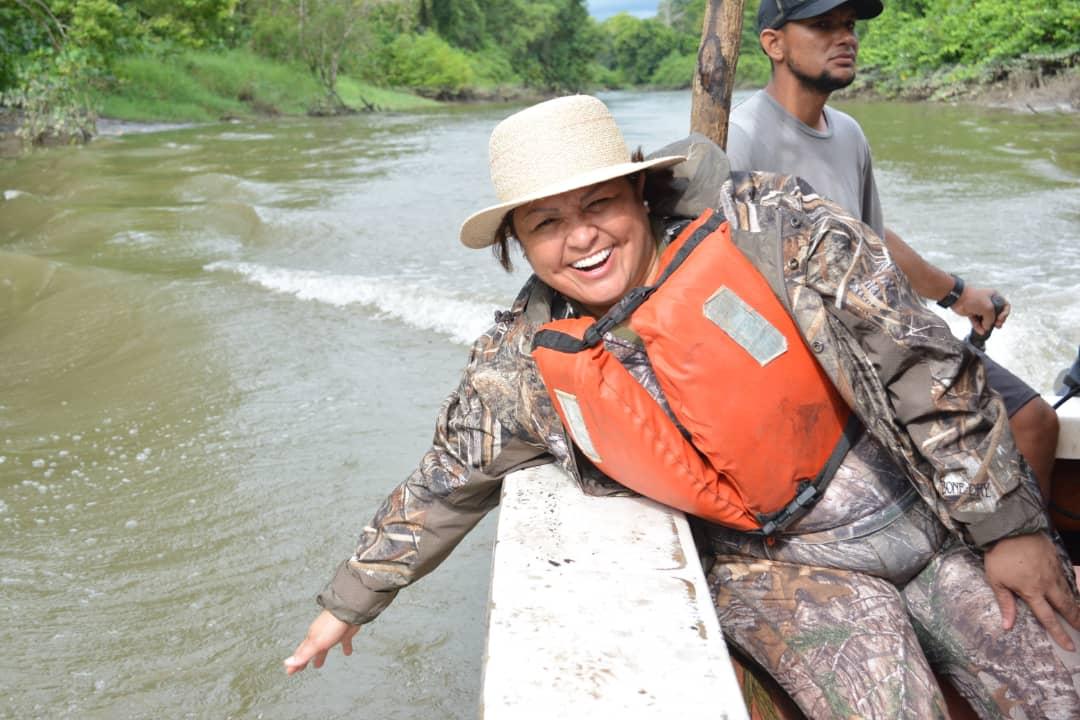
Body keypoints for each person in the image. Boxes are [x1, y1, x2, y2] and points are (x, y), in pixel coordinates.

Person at [284, 95, 1080, 718]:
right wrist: (349, 604)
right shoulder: (523, 367)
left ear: (640, 191)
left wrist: (1009, 528)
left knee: (1057, 683)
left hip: (930, 521)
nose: (581, 239)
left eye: (599, 204)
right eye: (547, 223)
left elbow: (923, 359)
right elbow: (445, 480)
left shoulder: (774, 230)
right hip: (784, 571)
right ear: (519, 245)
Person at [725, 0, 1061, 500]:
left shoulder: (849, 134)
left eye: (849, 25)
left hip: (885, 334)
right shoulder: (740, 136)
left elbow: (874, 241)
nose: (846, 37)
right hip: (817, 354)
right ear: (773, 43)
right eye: (822, 25)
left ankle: (1026, 552)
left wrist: (959, 294)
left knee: (1033, 420)